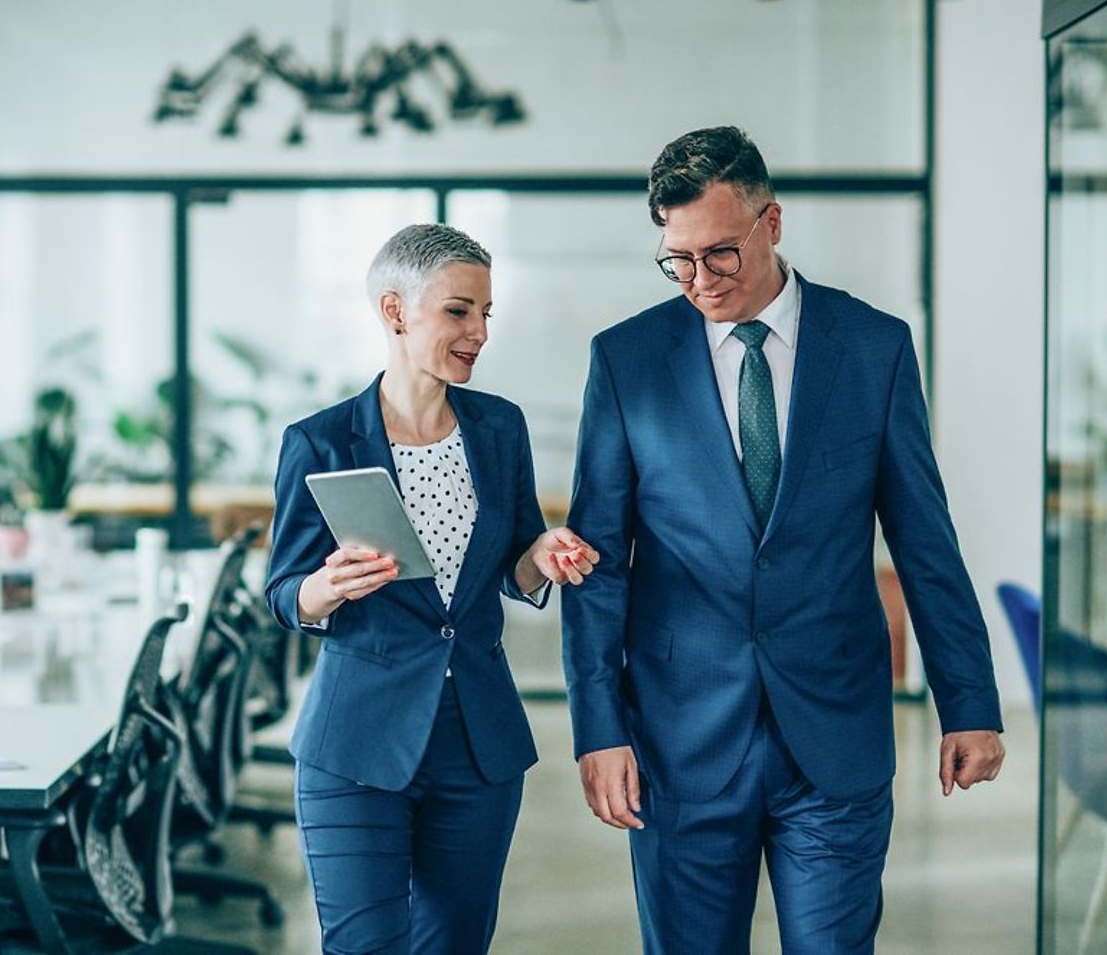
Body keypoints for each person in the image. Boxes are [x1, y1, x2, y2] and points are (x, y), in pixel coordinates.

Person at [561, 126, 1006, 954]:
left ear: (772, 222)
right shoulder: (626, 361)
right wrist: (598, 727)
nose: (700, 280)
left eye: (720, 253)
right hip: (677, 738)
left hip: (834, 733)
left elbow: (923, 539)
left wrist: (969, 703)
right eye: (678, 260)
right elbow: (598, 564)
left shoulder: (873, 347)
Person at [265, 223, 599, 955]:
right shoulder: (319, 440)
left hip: (477, 745)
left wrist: (544, 553)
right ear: (395, 311)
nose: (479, 331)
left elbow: (513, 563)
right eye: (458, 311)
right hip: (356, 744)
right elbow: (283, 591)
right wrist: (323, 589)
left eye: (486, 313)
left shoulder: (499, 428)